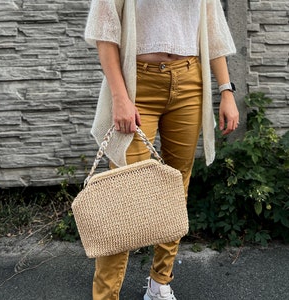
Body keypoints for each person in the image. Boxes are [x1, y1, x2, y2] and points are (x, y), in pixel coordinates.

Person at [84, 1, 239, 299]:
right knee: (125, 196)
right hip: (137, 84)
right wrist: (120, 97)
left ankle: (160, 281)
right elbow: (105, 32)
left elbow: (212, 29)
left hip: (190, 81)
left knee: (175, 186)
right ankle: (105, 296)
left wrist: (226, 90)